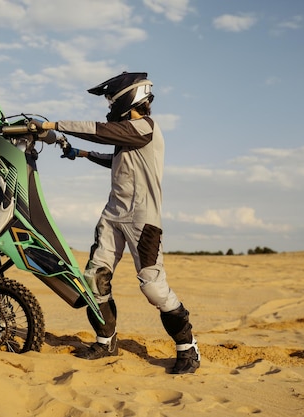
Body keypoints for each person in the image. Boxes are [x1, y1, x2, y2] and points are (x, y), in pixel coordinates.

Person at [32, 72, 200, 374]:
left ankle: (188, 348)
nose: (109, 106)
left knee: (153, 288)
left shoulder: (144, 128)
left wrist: (50, 125)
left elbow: (100, 131)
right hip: (113, 215)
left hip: (142, 219)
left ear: (127, 99)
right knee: (94, 279)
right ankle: (106, 342)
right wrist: (80, 153)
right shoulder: (130, 137)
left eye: (111, 99)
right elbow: (116, 158)